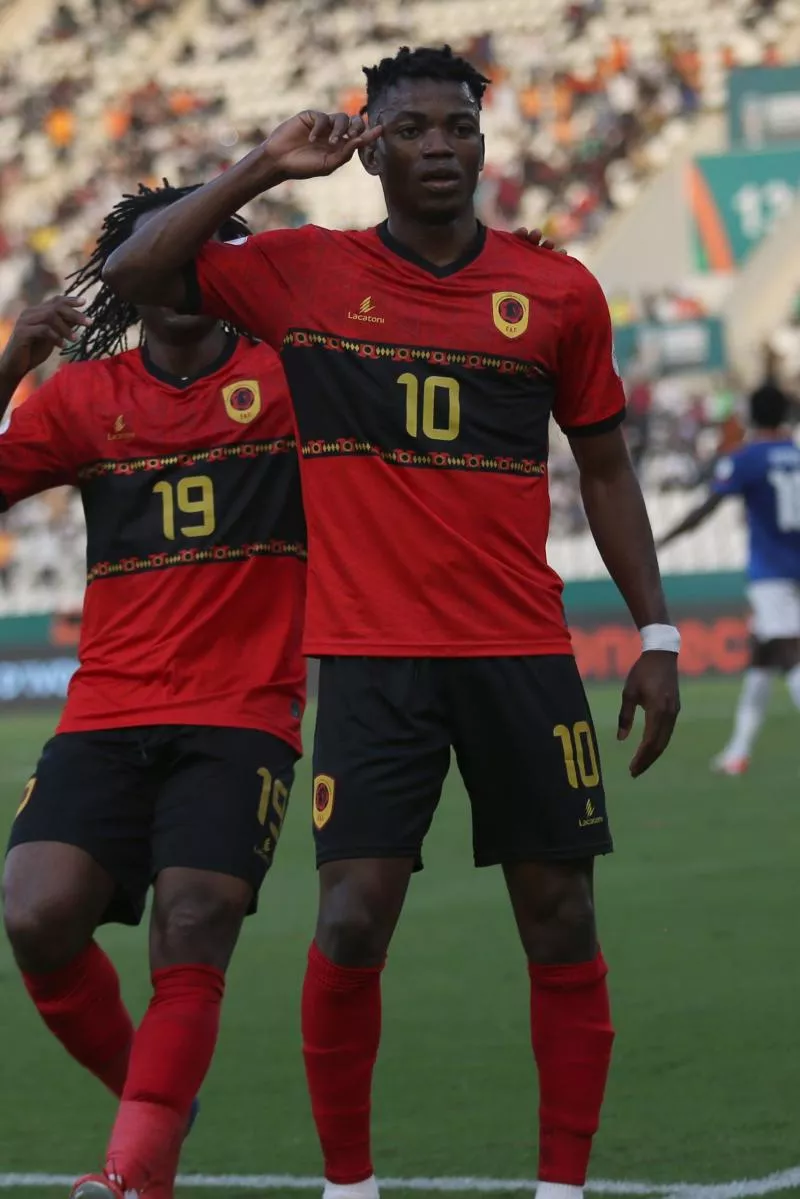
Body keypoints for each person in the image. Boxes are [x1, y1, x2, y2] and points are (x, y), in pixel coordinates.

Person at [103, 45, 681, 1199]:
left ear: (481, 142)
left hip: (519, 652)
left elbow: (606, 468)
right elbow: (137, 274)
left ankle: (561, 1188)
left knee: (559, 913)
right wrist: (262, 167)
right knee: (355, 917)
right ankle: (348, 1186)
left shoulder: (555, 289)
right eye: (411, 127)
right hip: (369, 659)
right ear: (370, 146)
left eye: (456, 128)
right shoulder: (298, 272)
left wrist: (656, 633)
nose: (437, 146)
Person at [0, 183, 306, 1199]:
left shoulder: (292, 381)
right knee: (36, 914)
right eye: (160, 254)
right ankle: (158, 1095)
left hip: (241, 711)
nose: (182, 271)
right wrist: (10, 362)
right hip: (107, 711)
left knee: (192, 919)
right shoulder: (85, 398)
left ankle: (133, 1172)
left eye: (205, 248)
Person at [659, 379, 800, 774]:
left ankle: (737, 751)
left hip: (772, 572)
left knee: (789, 654)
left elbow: (707, 508)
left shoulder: (748, 458)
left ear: (753, 416)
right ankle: (737, 752)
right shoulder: (796, 454)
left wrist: (663, 541)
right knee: (763, 657)